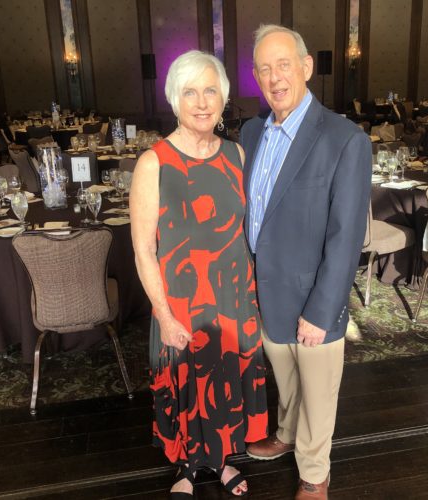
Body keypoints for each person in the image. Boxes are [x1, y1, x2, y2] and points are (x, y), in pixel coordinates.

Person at [240, 25, 371, 499]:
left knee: (318, 394)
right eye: (263, 69)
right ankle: (287, 434)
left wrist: (323, 310)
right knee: (286, 380)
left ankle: (315, 472)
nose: (274, 78)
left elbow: (347, 236)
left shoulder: (344, 139)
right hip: (265, 292)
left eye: (283, 65)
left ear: (306, 67)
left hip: (314, 296)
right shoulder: (251, 132)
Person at [130, 50, 268, 499]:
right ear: (175, 99)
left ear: (224, 97)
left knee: (226, 384)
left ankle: (223, 460)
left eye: (211, 90)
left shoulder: (237, 155)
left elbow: (251, 230)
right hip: (182, 304)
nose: (202, 102)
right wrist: (165, 316)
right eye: (190, 92)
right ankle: (187, 467)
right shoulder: (154, 162)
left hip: (232, 299)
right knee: (190, 386)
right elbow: (143, 251)